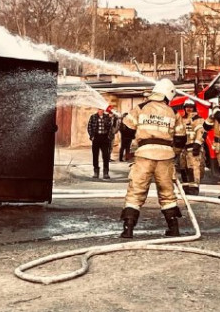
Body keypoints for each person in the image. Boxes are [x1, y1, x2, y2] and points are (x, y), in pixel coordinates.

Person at [119, 78, 187, 239]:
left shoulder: (141, 108)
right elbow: (181, 138)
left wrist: (131, 146)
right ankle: (173, 228)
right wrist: (173, 153)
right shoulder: (173, 112)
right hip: (165, 156)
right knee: (167, 192)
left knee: (136, 191)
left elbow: (125, 128)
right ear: (169, 94)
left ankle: (128, 228)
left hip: (144, 154)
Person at [178, 99, 205, 195]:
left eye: (191, 107)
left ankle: (194, 188)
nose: (189, 109)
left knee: (193, 168)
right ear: (184, 108)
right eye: (187, 107)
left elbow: (200, 133)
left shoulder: (198, 119)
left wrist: (197, 145)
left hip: (193, 148)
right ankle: (186, 187)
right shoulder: (181, 120)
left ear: (194, 108)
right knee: (183, 168)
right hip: (183, 148)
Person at [87, 106, 114, 179]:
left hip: (104, 138)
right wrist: (91, 136)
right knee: (95, 155)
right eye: (99, 109)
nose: (100, 111)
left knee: (106, 156)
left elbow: (111, 126)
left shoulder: (107, 117)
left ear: (103, 110)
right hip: (96, 137)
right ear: (97, 110)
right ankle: (96, 172)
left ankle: (106, 172)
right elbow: (89, 126)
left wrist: (111, 118)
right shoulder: (93, 117)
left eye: (102, 109)